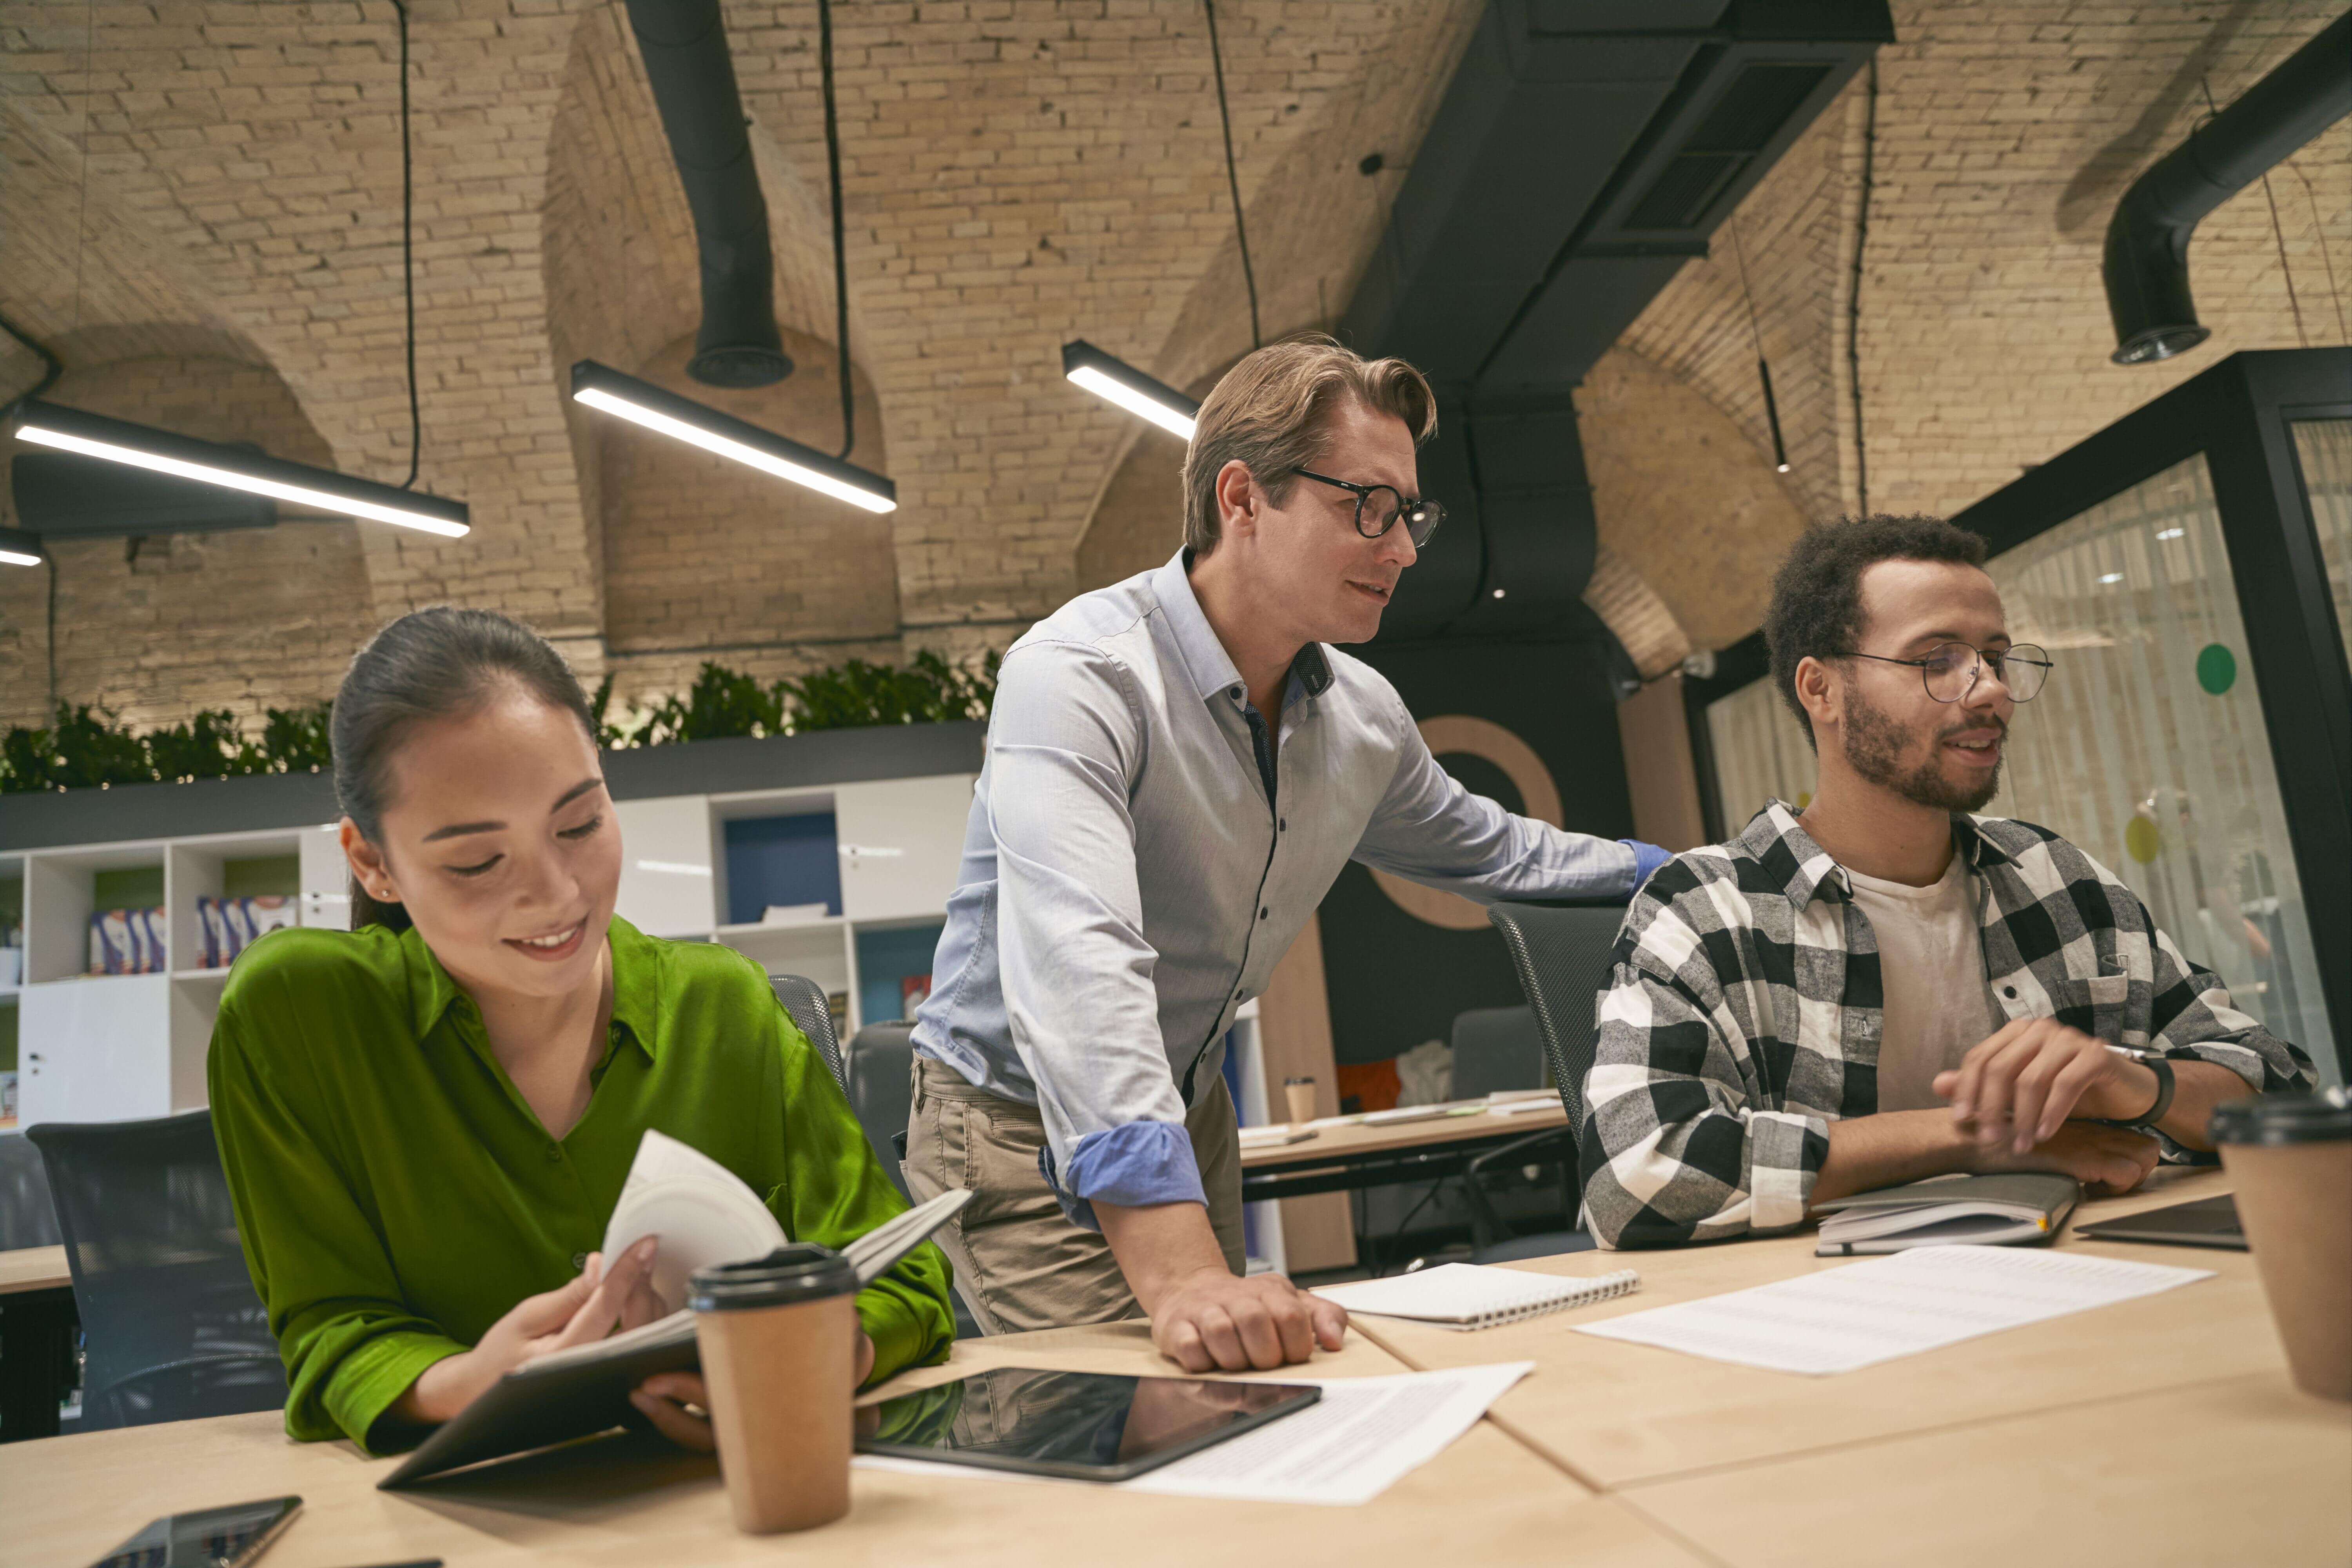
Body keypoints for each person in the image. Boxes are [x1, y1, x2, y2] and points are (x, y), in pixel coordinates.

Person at [904, 336, 1670, 1367]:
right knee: (1155, 1404)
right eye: (1369, 506)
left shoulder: (1360, 718)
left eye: (1410, 514)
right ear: (1242, 498)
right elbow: (1078, 960)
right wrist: (1181, 1276)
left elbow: (1494, 851)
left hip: (1184, 1099)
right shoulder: (1080, 675)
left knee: (1243, 1378)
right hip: (1010, 1116)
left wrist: (1671, 872)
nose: (1401, 549)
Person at [209, 608, 953, 1454]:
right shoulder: (298, 1017)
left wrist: (812, 1355)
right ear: (373, 861)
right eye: (477, 861)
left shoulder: (728, 1009)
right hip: (481, 1523)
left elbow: (904, 1280)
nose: (557, 891)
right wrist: (475, 1380)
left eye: (580, 824)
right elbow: (331, 1326)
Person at [1579, 515, 2315, 1248]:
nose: (1990, 690)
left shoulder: (2055, 879)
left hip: (2085, 1294)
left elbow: (2277, 1087)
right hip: (1836, 1331)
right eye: (1937, 660)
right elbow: (1635, 1174)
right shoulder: (1704, 911)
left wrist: (2138, 1088)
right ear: (1821, 689)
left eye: (1994, 658)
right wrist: (1972, 1137)